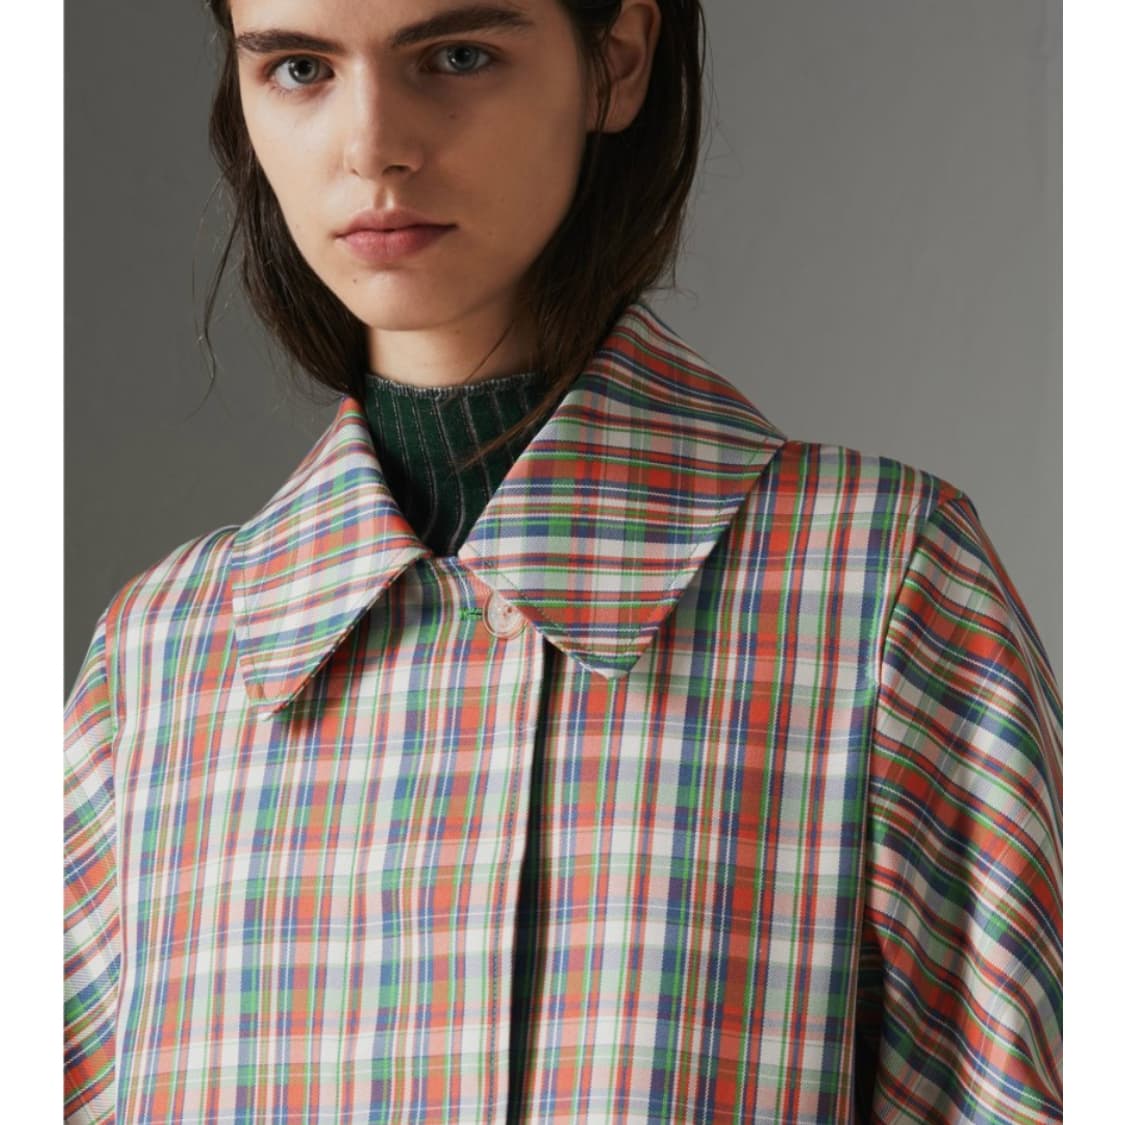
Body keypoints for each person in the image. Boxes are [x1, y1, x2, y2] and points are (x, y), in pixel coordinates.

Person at [63, 0, 1062, 1121]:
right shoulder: (156, 662)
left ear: (617, 60)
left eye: (456, 55)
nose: (372, 145)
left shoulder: (878, 591)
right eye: (300, 68)